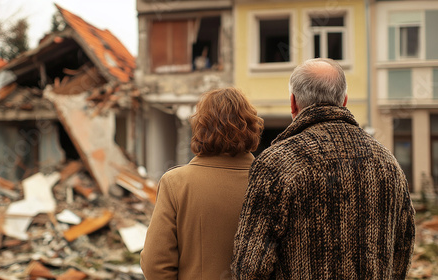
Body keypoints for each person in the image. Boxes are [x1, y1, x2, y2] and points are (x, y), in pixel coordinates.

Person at [231, 58, 415, 279]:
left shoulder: (276, 164)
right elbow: (403, 248)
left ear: (293, 103)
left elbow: (250, 267)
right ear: (344, 100)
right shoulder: (388, 164)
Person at [141, 87, 264, 280]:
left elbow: (155, 264)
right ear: (252, 127)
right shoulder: (271, 182)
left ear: (200, 128)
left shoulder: (177, 183)